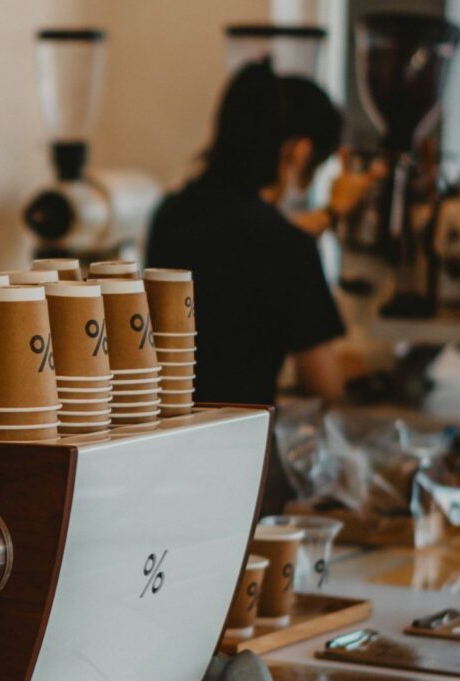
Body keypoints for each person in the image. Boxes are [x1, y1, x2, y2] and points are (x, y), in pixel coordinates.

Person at [145, 61, 370, 512]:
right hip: (235, 466)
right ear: (299, 153)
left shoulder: (171, 213)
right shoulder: (285, 247)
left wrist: (330, 215)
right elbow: (323, 385)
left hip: (157, 455)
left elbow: (246, 238)